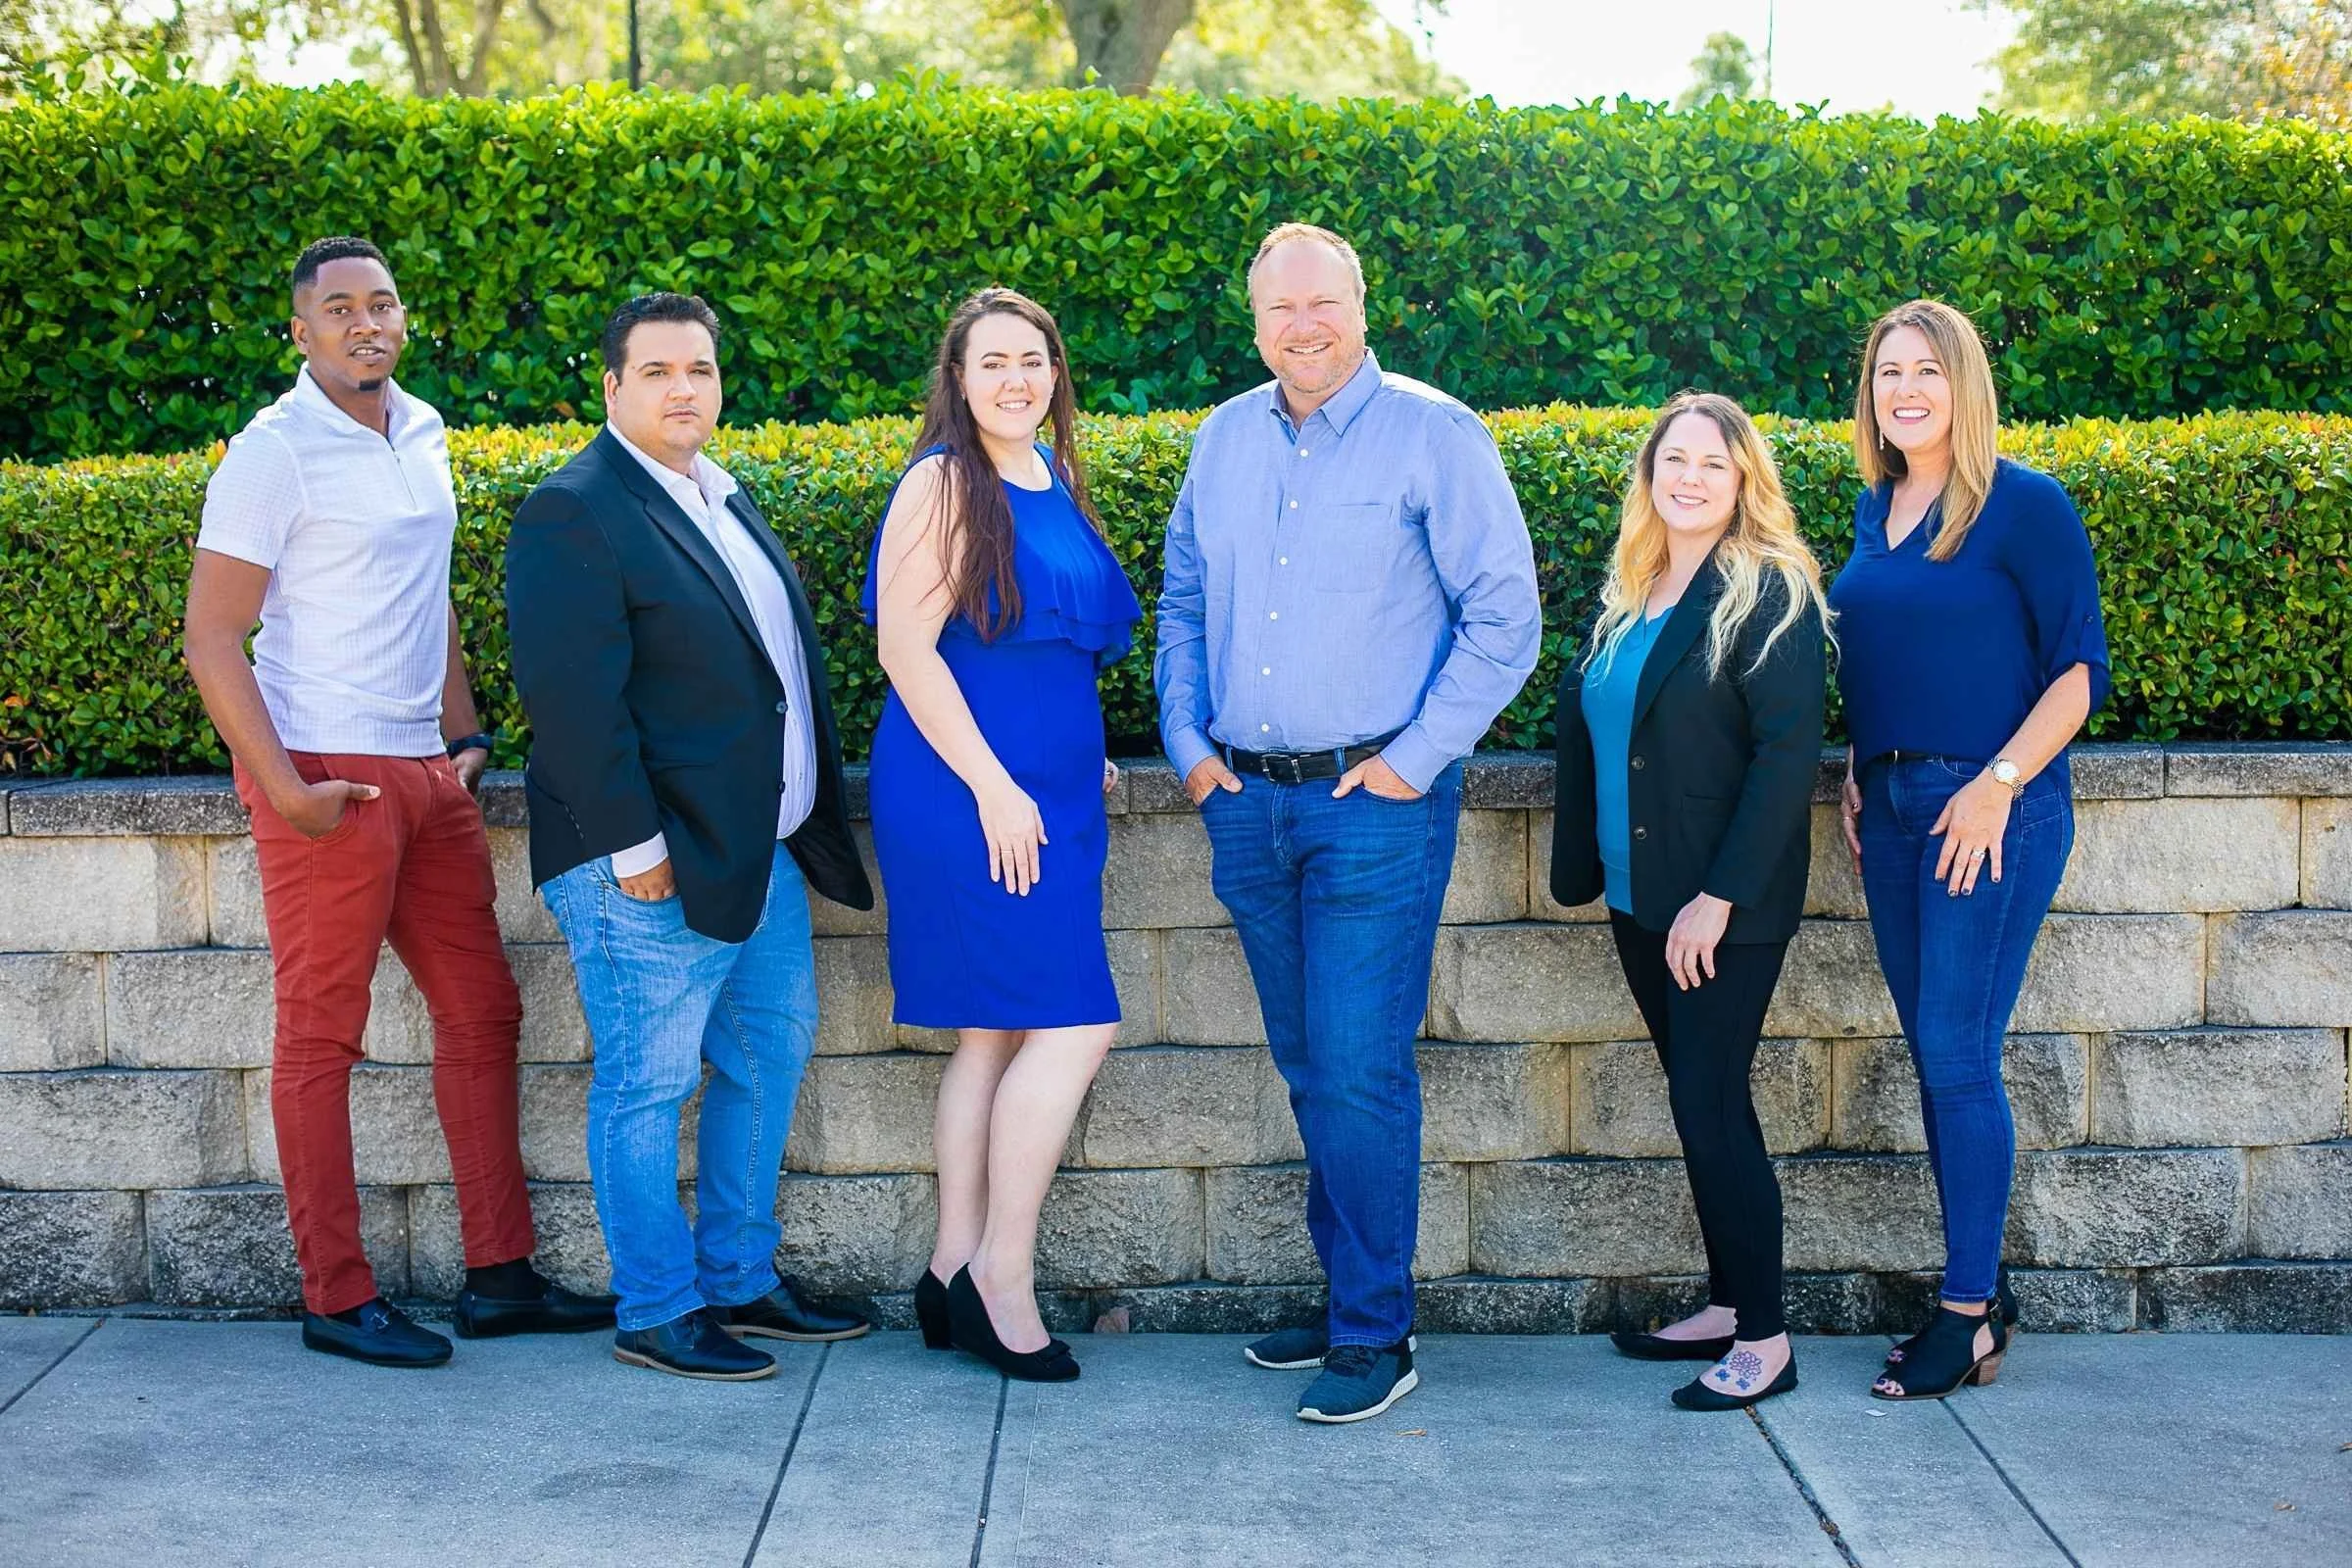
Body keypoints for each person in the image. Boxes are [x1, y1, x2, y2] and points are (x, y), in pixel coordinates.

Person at [183, 236, 613, 1367]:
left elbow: (429, 599)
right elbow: (212, 638)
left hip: (427, 772)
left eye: (380, 303)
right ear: (303, 331)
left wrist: (463, 733)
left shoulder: (421, 429)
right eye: (338, 308)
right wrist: (289, 790)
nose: (364, 322)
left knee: (483, 1008)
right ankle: (336, 1295)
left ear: (403, 319)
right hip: (323, 769)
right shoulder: (275, 453)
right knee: (321, 1035)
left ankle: (500, 1277)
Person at [1154, 222, 1542, 1424]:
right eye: (1279, 309)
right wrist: (1191, 749)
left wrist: (1413, 763)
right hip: (1247, 805)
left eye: (1322, 303)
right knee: (1312, 1065)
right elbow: (1182, 601)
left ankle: (1378, 1331)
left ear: (1362, 306)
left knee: (1360, 1069)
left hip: (1374, 809)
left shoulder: (1436, 431)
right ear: (1255, 318)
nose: (1301, 327)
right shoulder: (1222, 439)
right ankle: (1347, 1299)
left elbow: (1505, 616)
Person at [506, 293, 875, 1383]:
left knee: (766, 1055)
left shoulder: (722, 494)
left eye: (701, 370)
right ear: (612, 386)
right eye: (658, 370)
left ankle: (738, 1279)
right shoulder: (574, 508)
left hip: (759, 852)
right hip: (649, 864)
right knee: (648, 1082)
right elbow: (573, 703)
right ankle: (658, 1308)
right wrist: (634, 849)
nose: (684, 389)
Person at [1831, 299, 2109, 1400]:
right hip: (1895, 807)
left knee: (1954, 1054)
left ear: (1965, 386)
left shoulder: (2024, 505)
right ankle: (1976, 1294)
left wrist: (1998, 784)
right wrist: (1859, 764)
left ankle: (1965, 1315)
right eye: (1889, 372)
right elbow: (1884, 652)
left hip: (1991, 808)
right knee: (1936, 1056)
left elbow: (2077, 675)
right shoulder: (1874, 508)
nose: (1906, 390)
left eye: (1928, 372)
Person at [863, 288, 1140, 1383]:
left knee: (993, 1034)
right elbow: (908, 649)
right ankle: (1001, 1278)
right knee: (1076, 1025)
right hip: (971, 795)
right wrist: (994, 784)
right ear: (960, 379)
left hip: (1054, 793)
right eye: (993, 363)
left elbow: (1048, 646)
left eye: (1033, 360)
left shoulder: (1055, 479)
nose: (1016, 379)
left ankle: (946, 1270)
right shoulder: (941, 481)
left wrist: (1082, 755)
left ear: (1054, 374)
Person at [1550, 392, 1830, 1411]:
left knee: (1711, 1108)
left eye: (1714, 463)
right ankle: (1727, 1300)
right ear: (1650, 473)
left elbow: (1785, 756)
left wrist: (1718, 895)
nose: (1692, 478)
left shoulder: (1770, 591)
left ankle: (1766, 1339)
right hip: (1640, 894)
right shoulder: (1635, 585)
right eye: (1676, 459)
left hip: (1720, 908)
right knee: (1698, 1103)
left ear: (1744, 478)